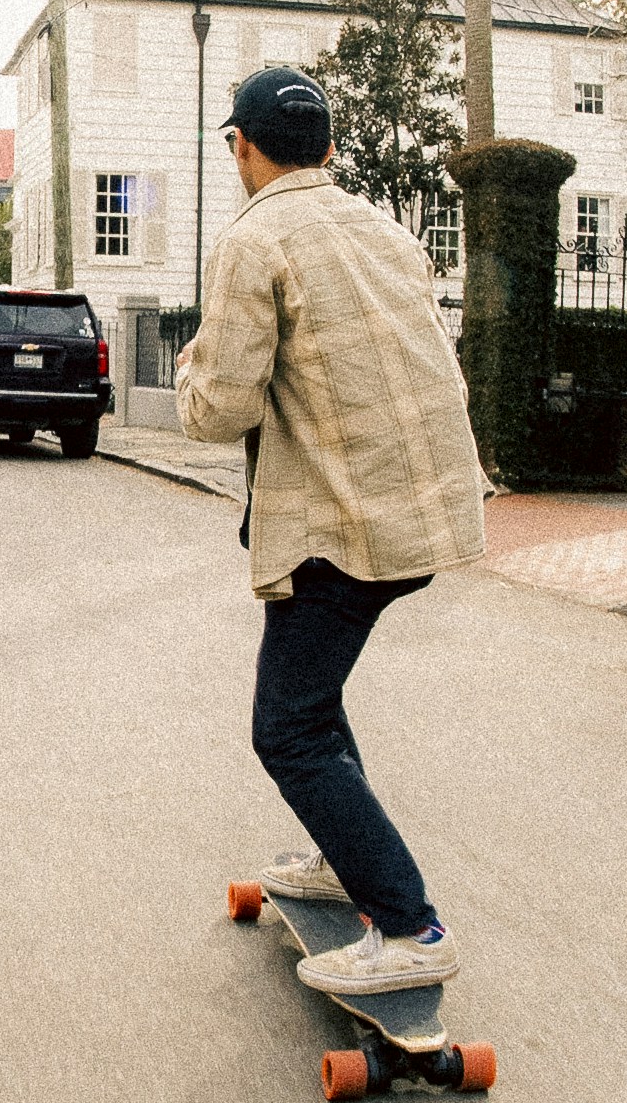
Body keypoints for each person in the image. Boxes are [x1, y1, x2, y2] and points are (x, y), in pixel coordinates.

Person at [175, 62, 483, 1002]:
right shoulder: (387, 229)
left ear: (242, 146)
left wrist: (192, 367)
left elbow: (218, 408)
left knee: (289, 728)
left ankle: (408, 925)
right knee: (317, 691)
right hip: (427, 505)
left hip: (342, 521)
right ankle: (333, 851)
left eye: (235, 144)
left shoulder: (253, 240)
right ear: (334, 149)